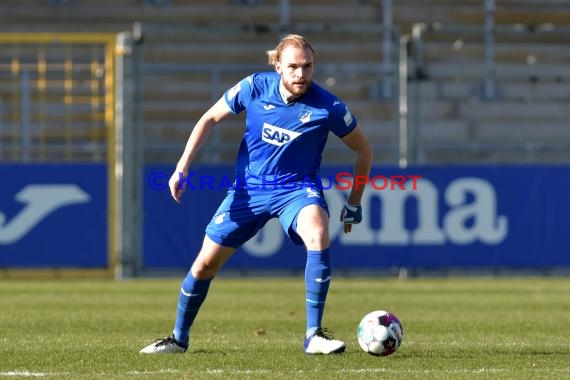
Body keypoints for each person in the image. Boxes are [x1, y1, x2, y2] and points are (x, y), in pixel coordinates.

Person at [140, 34, 372, 355]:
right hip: (249, 190)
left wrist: (354, 202)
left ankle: (314, 335)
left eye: (307, 67)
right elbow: (209, 119)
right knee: (205, 265)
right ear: (277, 65)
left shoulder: (328, 106)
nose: (301, 74)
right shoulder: (254, 87)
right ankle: (178, 339)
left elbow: (363, 151)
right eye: (293, 67)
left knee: (318, 232)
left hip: (296, 190)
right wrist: (182, 168)